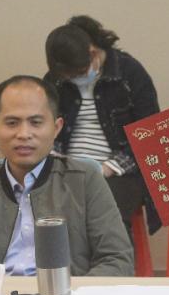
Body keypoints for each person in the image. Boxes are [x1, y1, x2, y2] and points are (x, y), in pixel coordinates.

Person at [0, 75, 133, 276]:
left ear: (56, 128)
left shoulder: (85, 180)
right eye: (12, 123)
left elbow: (116, 259)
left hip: (70, 293)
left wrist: (75, 293)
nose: (24, 134)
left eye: (36, 122)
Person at [44, 16, 161, 249]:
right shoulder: (55, 81)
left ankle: (114, 267)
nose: (74, 79)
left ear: (93, 53)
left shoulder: (129, 73)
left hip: (119, 171)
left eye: (79, 72)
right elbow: (44, 128)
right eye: (68, 77)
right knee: (42, 209)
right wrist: (56, 160)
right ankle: (60, 268)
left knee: (106, 211)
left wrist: (107, 168)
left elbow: (150, 134)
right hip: (67, 167)